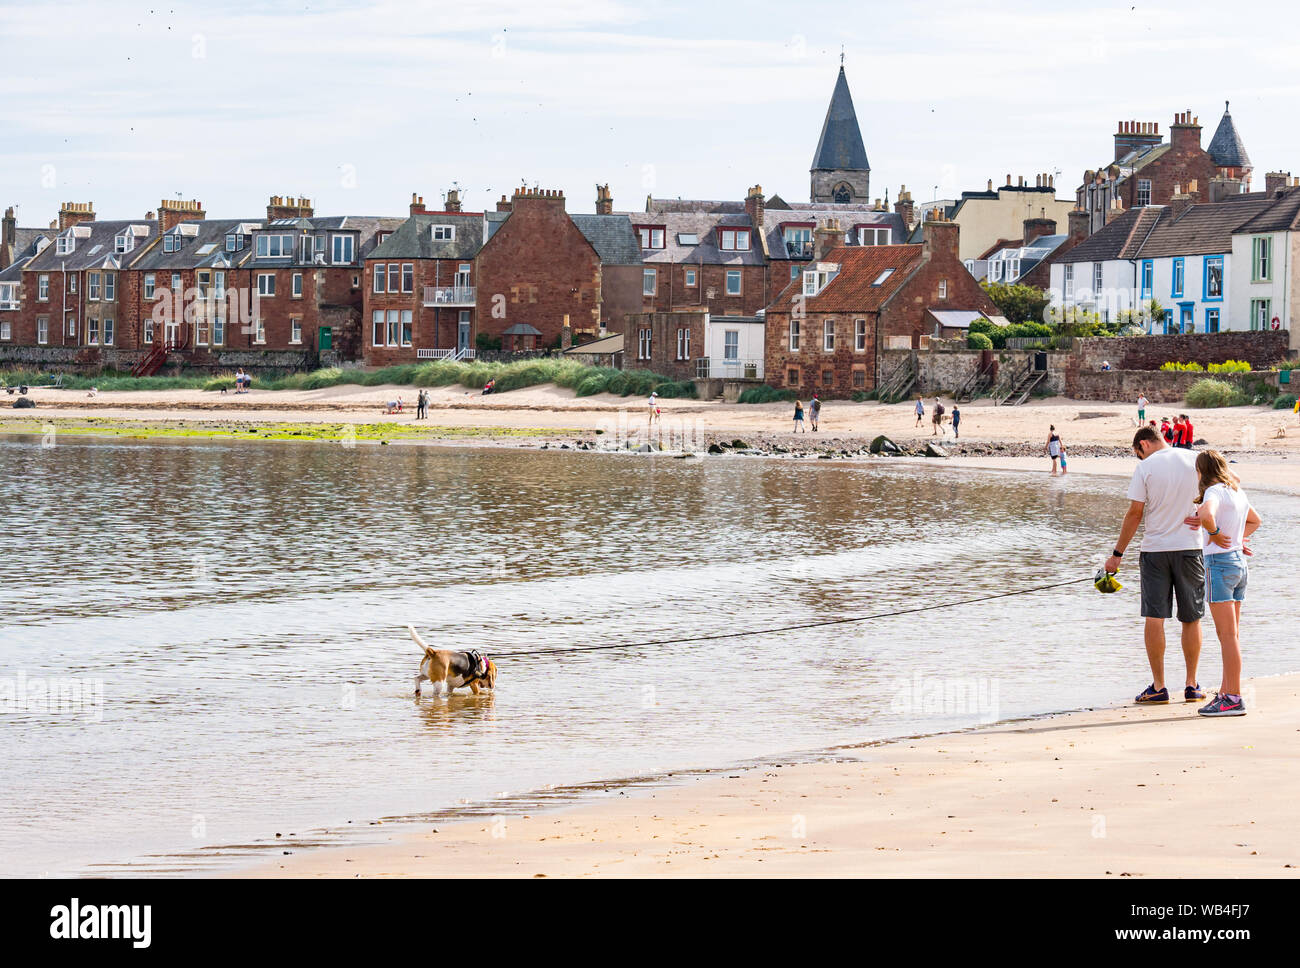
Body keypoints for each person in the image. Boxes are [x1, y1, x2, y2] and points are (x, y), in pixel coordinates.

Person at [1103, 425, 1205, 706]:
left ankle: (1159, 686)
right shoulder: (1194, 459)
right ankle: (1192, 685)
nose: (1140, 459)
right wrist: (1206, 516)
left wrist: (1117, 555)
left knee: (1154, 617)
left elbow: (1135, 513)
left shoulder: (1145, 468)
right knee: (1191, 617)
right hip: (1190, 548)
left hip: (1155, 551)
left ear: (1144, 445)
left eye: (1139, 454)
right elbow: (1228, 484)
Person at [1189, 450, 1261, 716]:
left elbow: (1208, 515)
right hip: (1239, 564)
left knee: (1227, 636)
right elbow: (1255, 520)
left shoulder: (1214, 492)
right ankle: (1226, 691)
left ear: (1202, 471)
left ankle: (1233, 697)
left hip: (1219, 564)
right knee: (1232, 636)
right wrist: (1237, 539)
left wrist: (1215, 533)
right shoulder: (1235, 491)